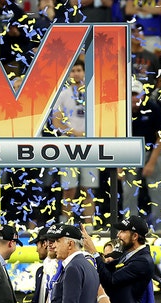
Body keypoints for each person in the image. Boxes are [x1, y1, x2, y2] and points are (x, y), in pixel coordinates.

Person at [50, 60, 97, 228]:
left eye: (79, 70)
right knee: (69, 189)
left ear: (84, 72)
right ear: (69, 75)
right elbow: (56, 122)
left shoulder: (93, 93)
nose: (76, 74)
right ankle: (66, 224)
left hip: (90, 146)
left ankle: (89, 225)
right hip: (69, 146)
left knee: (88, 188)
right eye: (73, 71)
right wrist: (74, 133)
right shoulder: (63, 94)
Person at [82, 216, 155, 303]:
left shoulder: (143, 261)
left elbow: (110, 280)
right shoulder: (129, 254)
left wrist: (93, 252)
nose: (118, 235)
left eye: (123, 231)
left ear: (135, 236)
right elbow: (106, 269)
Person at [120, 79, 161, 230]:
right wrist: (120, 166)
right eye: (131, 94)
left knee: (156, 188)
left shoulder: (152, 107)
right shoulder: (121, 110)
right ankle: (129, 227)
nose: (134, 98)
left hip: (152, 150)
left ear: (142, 95)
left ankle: (160, 227)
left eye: (136, 94)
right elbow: (117, 138)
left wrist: (151, 162)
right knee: (128, 191)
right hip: (128, 153)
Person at [44, 224, 99, 303]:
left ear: (70, 244)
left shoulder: (72, 268)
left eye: (58, 241)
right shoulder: (89, 267)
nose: (54, 245)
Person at [26, 227, 50, 303]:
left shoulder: (63, 270)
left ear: (44, 244)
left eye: (37, 245)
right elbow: (36, 302)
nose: (36, 250)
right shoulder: (40, 271)